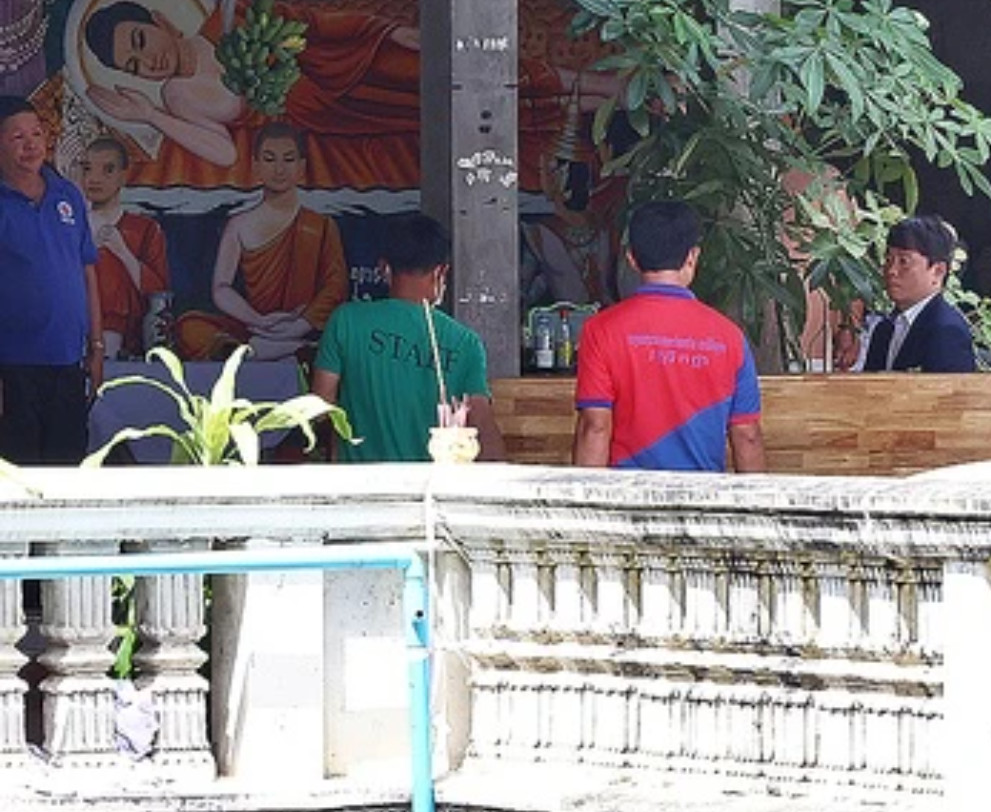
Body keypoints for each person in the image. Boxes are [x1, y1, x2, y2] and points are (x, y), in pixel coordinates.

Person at [80, 0, 611, 189]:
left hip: (349, 55)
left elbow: (307, 23)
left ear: (158, 21)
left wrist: (386, 31)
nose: (148, 62)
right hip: (334, 110)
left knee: (471, 67)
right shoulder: (177, 98)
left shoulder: (229, 19)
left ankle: (609, 87)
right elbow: (221, 152)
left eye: (140, 43)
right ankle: (597, 105)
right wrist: (148, 113)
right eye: (134, 66)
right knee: (460, 108)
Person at [573, 200, 765, 472]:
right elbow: (747, 435)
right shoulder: (729, 337)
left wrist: (584, 497)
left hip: (628, 493)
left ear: (632, 258)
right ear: (692, 257)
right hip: (703, 494)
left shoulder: (600, 330)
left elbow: (595, 427)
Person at [311, 214, 505, 462]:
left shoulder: (346, 321)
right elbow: (482, 426)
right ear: (441, 271)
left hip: (360, 481)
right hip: (433, 483)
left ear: (384, 268)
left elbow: (319, 408)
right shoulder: (466, 342)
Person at [175, 122, 347, 361]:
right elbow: (221, 288)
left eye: (288, 159)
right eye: (269, 159)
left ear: (302, 167)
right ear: (255, 166)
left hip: (303, 325)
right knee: (189, 327)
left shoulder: (321, 225)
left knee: (342, 329)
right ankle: (277, 349)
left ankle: (264, 349)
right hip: (254, 327)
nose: (279, 169)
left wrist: (299, 325)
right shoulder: (238, 224)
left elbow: (335, 286)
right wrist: (259, 320)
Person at [0, 96, 104, 465]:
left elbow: (87, 271)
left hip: (67, 363)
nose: (30, 145)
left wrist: (96, 348)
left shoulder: (68, 195)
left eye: (36, 134)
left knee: (67, 471)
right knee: (18, 476)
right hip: (13, 368)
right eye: (17, 137)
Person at [76, 135, 168, 358]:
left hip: (128, 327)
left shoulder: (145, 228)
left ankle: (109, 343)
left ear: (124, 175)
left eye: (107, 170)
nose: (94, 178)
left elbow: (158, 293)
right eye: (87, 169)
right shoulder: (70, 224)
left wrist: (123, 252)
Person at [862, 215, 976, 373]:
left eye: (904, 262)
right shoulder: (884, 330)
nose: (891, 271)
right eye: (888, 260)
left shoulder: (947, 330)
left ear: (938, 271)